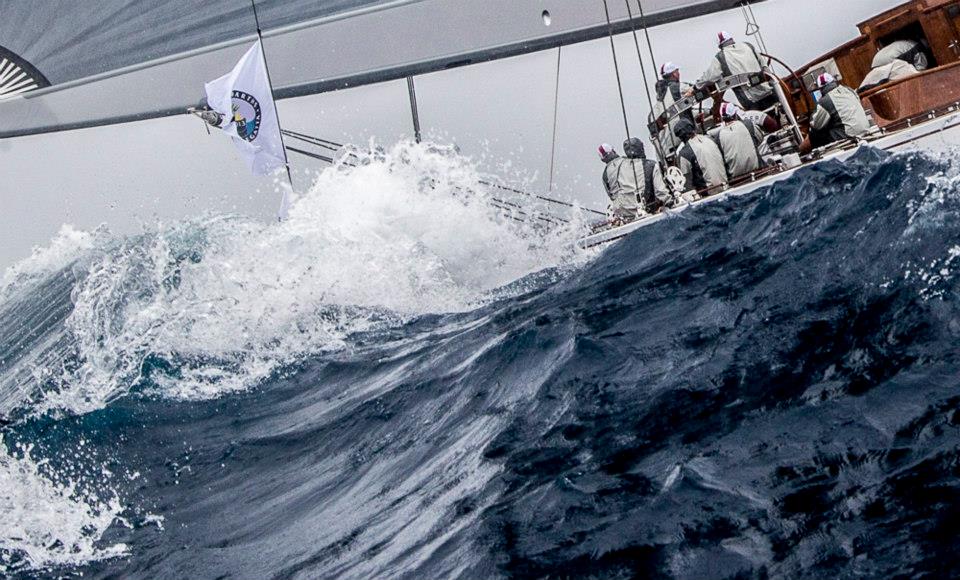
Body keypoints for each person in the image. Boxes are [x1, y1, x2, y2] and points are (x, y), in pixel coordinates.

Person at [694, 31, 778, 111]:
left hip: (750, 100)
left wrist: (695, 87)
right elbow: (765, 67)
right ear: (731, 39)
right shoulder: (748, 46)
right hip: (770, 91)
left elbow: (710, 77)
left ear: (720, 46)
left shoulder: (720, 57)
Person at [599, 140, 672, 221]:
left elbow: (612, 196)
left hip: (623, 214)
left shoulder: (607, 175)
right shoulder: (651, 165)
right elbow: (661, 193)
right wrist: (670, 202)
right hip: (645, 210)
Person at [805, 73, 871, 151]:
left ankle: (803, 152)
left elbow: (815, 124)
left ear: (820, 89)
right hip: (865, 129)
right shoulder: (849, 90)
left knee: (815, 135)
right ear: (833, 81)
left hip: (848, 136)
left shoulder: (824, 101)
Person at [651, 62, 694, 160]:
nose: (679, 73)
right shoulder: (678, 87)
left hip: (667, 144)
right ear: (674, 74)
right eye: (677, 71)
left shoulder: (659, 100)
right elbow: (696, 89)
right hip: (683, 131)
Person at [673, 118, 728, 194]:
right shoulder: (709, 139)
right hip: (726, 186)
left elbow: (687, 184)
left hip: (709, 194)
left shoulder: (685, 153)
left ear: (682, 137)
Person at [712, 102, 764, 180]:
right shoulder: (748, 124)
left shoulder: (718, 137)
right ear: (735, 114)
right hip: (758, 171)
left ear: (722, 118)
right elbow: (760, 138)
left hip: (737, 179)